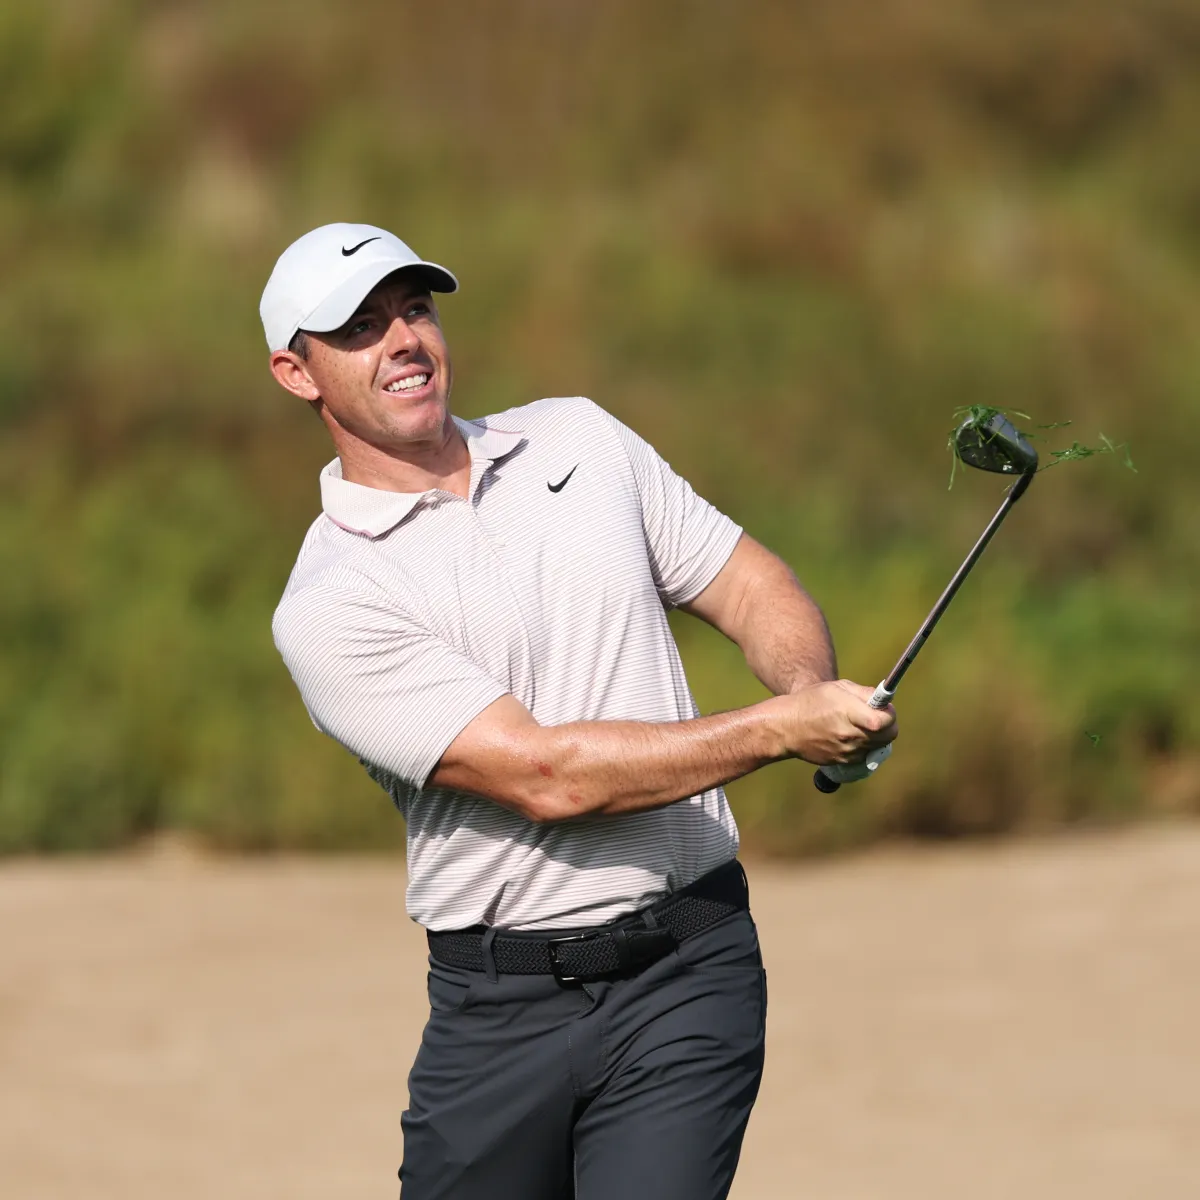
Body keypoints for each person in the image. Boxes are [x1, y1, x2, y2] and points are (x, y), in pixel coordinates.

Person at [260, 222, 898, 1199]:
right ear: (297, 374)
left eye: (414, 310)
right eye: (358, 329)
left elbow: (747, 584)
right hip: (498, 1009)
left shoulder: (579, 439)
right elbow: (544, 776)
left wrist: (806, 686)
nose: (403, 342)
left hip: (688, 969)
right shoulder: (331, 603)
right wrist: (776, 732)